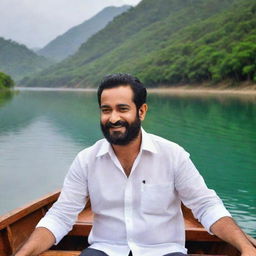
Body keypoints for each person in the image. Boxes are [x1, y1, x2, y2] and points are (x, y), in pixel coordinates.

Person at [15, 74, 256, 256]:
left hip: (164, 251)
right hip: (105, 250)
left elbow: (205, 206)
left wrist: (246, 248)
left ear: (141, 111)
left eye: (122, 109)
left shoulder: (173, 155)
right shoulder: (86, 160)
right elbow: (61, 216)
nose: (113, 118)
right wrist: (23, 253)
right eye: (106, 110)